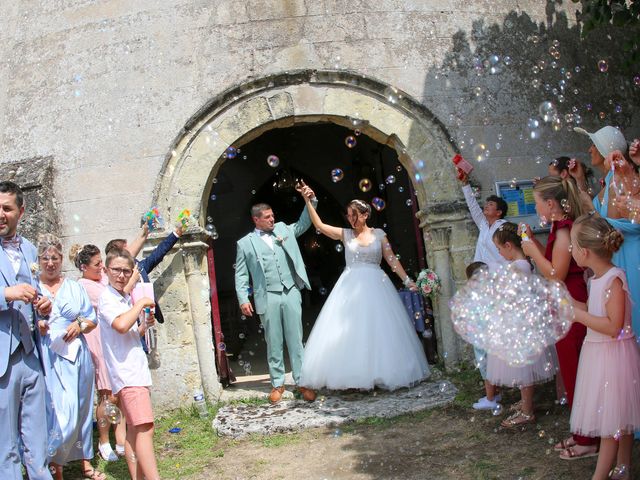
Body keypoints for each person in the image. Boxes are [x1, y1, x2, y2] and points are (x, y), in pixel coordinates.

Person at [298, 191, 430, 391]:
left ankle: (382, 372)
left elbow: (391, 259)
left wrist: (407, 280)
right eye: (349, 215)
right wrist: (308, 201)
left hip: (377, 285)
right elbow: (320, 226)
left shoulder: (379, 234)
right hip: (349, 287)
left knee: (380, 330)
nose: (351, 219)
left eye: (355, 215)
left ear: (365, 214)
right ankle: (352, 375)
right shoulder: (345, 234)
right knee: (347, 330)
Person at [520, 175, 598, 459]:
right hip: (566, 304)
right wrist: (535, 246)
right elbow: (552, 265)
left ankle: (587, 440)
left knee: (576, 371)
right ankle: (583, 432)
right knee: (570, 370)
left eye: (538, 203)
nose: (537, 208)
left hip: (573, 305)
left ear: (551, 203)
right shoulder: (558, 227)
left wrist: (530, 250)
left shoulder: (565, 230)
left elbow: (555, 274)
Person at [568, 213, 640, 477]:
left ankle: (602, 475)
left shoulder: (614, 280)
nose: (571, 252)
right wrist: (569, 303)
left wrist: (577, 315)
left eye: (572, 247)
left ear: (584, 252)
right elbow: (594, 311)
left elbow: (613, 326)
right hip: (599, 354)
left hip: (614, 356)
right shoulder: (596, 278)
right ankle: (623, 468)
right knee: (619, 414)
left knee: (613, 423)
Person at [234, 185, 317, 404]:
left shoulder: (283, 229)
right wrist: (243, 298)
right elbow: (241, 275)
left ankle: (302, 381)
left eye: (273, 216)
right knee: (274, 340)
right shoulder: (245, 244)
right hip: (266, 295)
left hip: (290, 291)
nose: (273, 219)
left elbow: (303, 224)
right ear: (256, 220)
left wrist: (310, 200)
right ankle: (277, 383)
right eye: (268, 217)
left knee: (296, 339)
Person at [37, 234, 104, 480]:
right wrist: (39, 326)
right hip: (50, 356)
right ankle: (57, 468)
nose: (51, 263)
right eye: (45, 258)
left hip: (77, 354)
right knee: (58, 412)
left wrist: (78, 325)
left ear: (61, 259)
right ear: (39, 260)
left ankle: (85, 464)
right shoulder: (34, 287)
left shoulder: (74, 287)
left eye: (55, 258)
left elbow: (91, 318)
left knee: (82, 408)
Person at [0, 181, 53, 479]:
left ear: (21, 211)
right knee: (5, 448)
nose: (0, 214)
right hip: (1, 359)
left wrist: (41, 304)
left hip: (31, 355)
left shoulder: (30, 249)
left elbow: (31, 292)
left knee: (37, 442)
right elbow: (12, 293)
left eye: (6, 208)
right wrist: (7, 294)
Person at [485, 223, 557, 428]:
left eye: (499, 249)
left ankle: (527, 411)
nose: (499, 253)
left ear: (508, 245)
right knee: (521, 368)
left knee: (523, 368)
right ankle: (524, 402)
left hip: (520, 322)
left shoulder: (520, 266)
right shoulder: (520, 263)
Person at [99, 248, 159, 480]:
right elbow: (121, 325)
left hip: (134, 370)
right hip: (127, 374)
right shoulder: (107, 298)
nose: (122, 275)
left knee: (135, 431)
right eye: (116, 270)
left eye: (126, 271)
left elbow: (130, 332)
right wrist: (141, 302)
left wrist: (143, 324)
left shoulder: (121, 298)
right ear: (106, 271)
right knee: (145, 428)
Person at [71, 244, 126, 461]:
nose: (102, 266)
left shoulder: (100, 279)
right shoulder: (85, 285)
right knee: (106, 394)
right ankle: (104, 442)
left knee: (117, 392)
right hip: (97, 342)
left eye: (102, 262)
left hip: (110, 341)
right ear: (84, 267)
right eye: (97, 264)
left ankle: (120, 440)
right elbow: (112, 296)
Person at [457, 171, 508, 410]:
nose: (485, 207)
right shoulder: (484, 225)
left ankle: (496, 389)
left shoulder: (503, 228)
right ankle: (492, 390)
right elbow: (473, 209)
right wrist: (465, 184)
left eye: (490, 205)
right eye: (486, 205)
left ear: (498, 212)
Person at [105, 222, 185, 327]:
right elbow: (120, 299)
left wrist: (176, 234)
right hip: (132, 322)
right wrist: (132, 280)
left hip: (148, 320)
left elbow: (157, 254)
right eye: (126, 249)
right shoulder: (114, 280)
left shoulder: (138, 266)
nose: (131, 251)